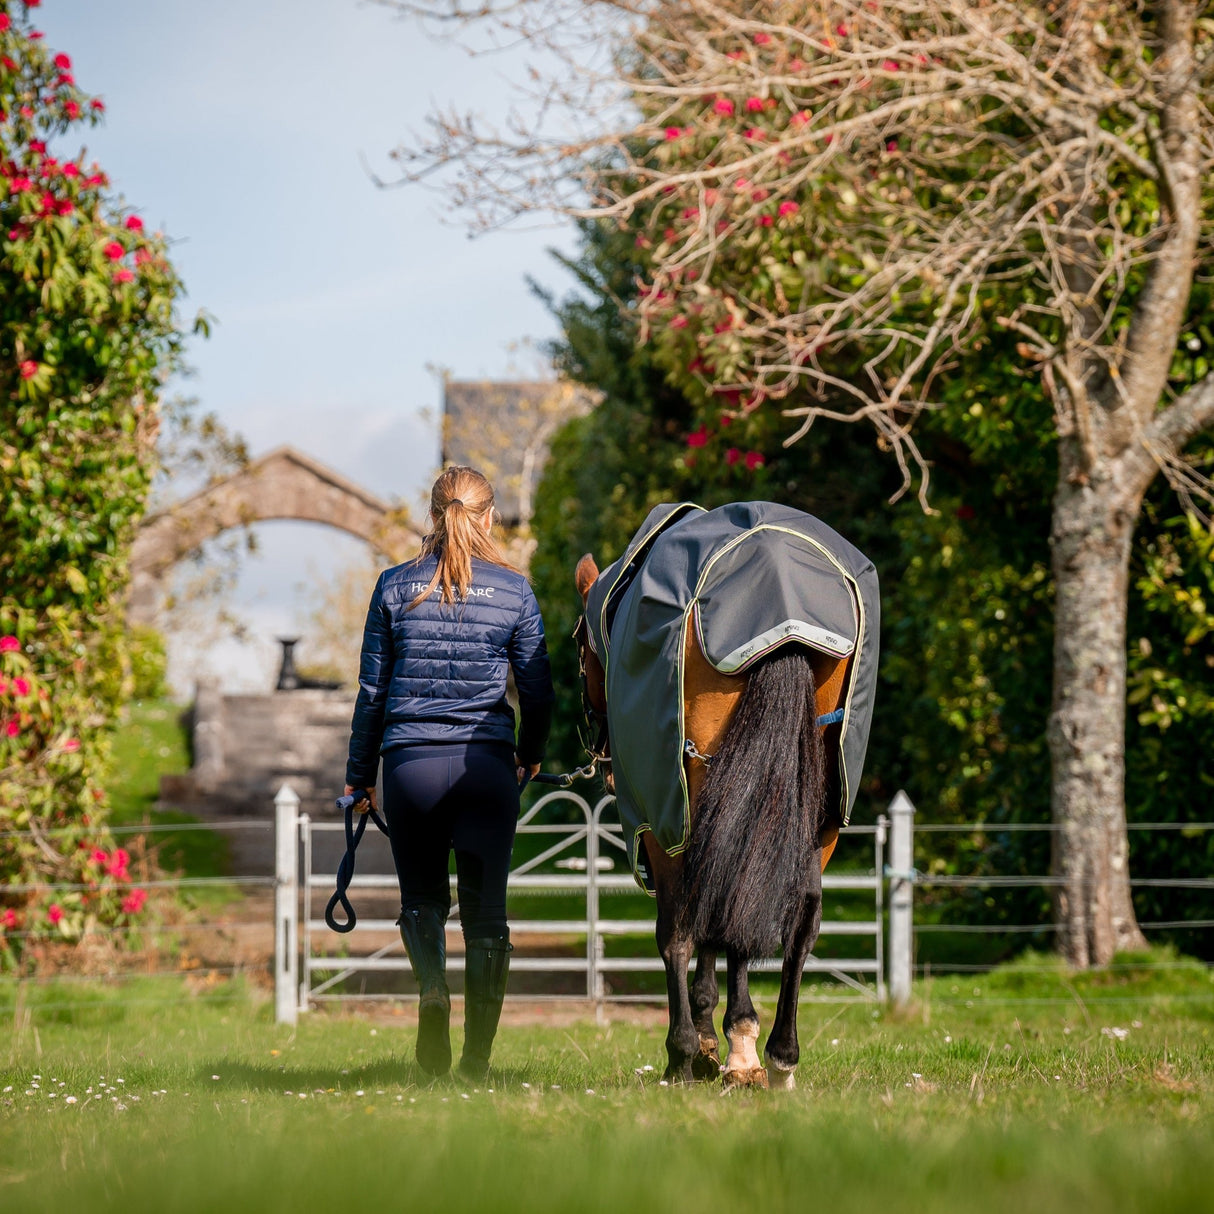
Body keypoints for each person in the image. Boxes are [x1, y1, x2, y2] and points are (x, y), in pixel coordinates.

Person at [343, 466, 554, 1079]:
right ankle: (476, 1064)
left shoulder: (392, 587)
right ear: (487, 516)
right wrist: (531, 751)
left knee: (423, 900)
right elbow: (537, 690)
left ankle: (433, 991)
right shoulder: (515, 591)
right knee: (487, 914)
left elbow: (371, 694)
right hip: (485, 769)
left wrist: (360, 778)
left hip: (410, 768)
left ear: (433, 515)